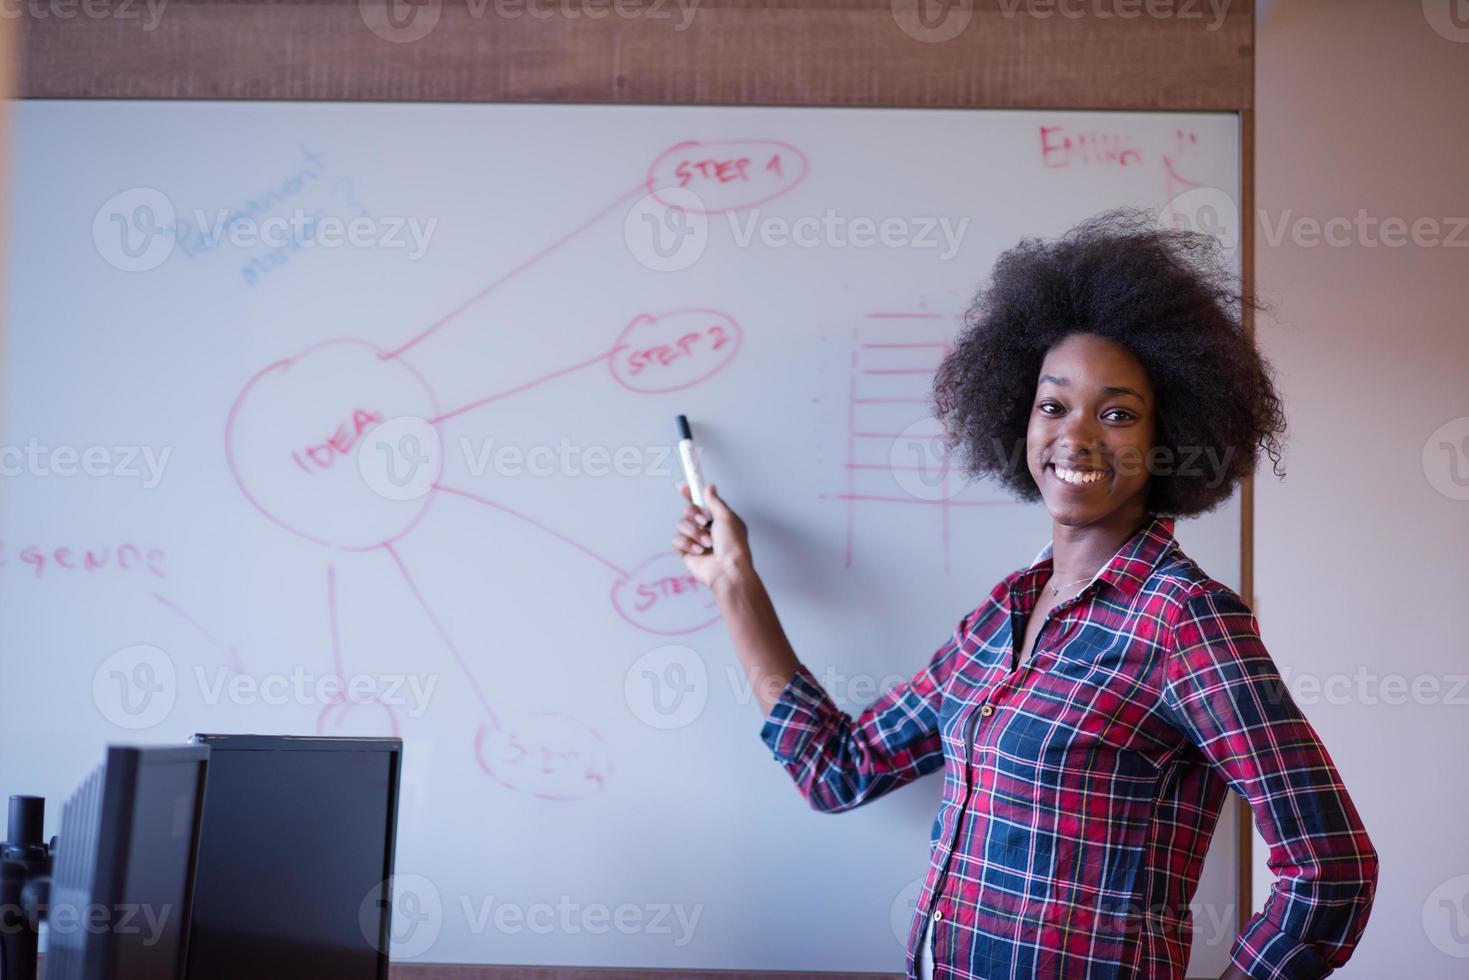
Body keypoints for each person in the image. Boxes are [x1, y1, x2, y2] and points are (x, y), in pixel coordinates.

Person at [670, 209, 1378, 979]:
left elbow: (1330, 870)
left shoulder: (1182, 620)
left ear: (1167, 434)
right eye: (1053, 404)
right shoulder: (1000, 617)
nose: (1075, 436)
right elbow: (839, 768)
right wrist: (733, 581)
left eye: (1116, 413)